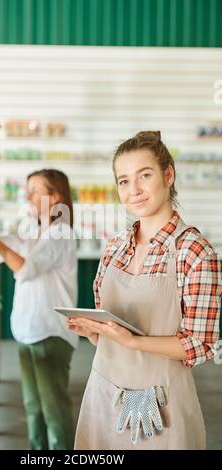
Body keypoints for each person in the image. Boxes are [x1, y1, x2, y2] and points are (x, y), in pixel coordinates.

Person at [68, 131, 221, 450]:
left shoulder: (194, 252)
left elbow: (200, 345)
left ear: (168, 175)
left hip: (161, 403)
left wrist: (134, 341)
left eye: (145, 175)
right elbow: (108, 333)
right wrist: (92, 330)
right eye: (123, 181)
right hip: (104, 393)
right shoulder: (114, 247)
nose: (133, 190)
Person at [0, 169, 78, 450]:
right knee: (33, 407)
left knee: (53, 410)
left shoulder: (60, 234)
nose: (28, 195)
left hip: (50, 335)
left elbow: (24, 268)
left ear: (55, 198)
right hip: (28, 332)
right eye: (28, 190)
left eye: (36, 190)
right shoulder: (34, 230)